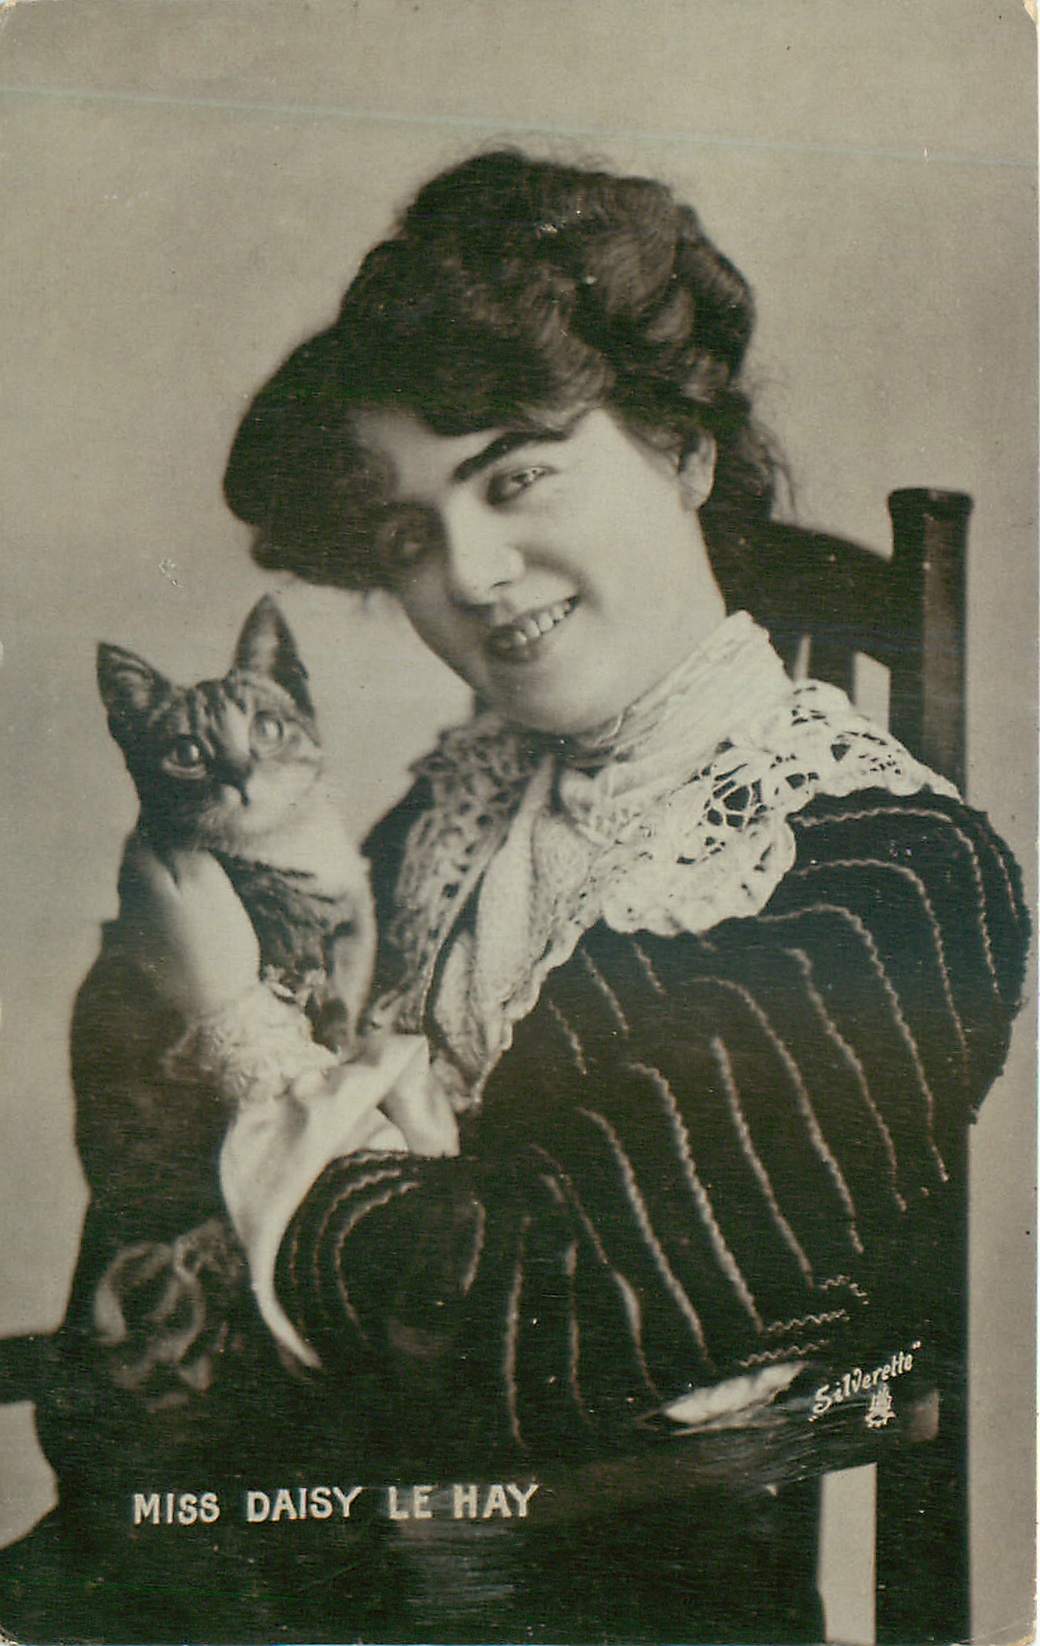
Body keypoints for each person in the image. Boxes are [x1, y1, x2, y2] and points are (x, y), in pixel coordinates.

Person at [6, 149, 1028, 1645]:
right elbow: (177, 1203)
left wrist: (236, 1018)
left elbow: (527, 1338)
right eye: (410, 534)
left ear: (681, 449)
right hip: (303, 1573)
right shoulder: (464, 804)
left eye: (515, 474)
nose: (473, 574)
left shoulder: (886, 879)